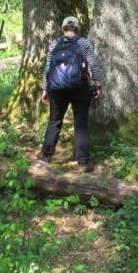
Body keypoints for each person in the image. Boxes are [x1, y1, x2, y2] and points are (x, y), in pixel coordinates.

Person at [40, 16, 102, 172]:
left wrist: (45, 88)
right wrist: (98, 84)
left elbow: (48, 67)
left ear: (63, 28)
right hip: (80, 88)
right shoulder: (83, 42)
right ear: (77, 28)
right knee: (81, 124)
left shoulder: (55, 43)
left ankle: (45, 156)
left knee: (54, 121)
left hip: (57, 89)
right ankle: (83, 162)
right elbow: (93, 64)